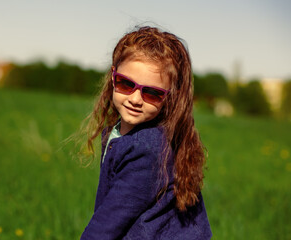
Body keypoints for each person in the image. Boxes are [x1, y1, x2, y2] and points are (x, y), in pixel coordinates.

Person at [79, 26, 212, 239]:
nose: (135, 99)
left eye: (152, 93)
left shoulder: (146, 149)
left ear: (169, 98)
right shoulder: (121, 133)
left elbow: (110, 221)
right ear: (113, 76)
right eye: (126, 83)